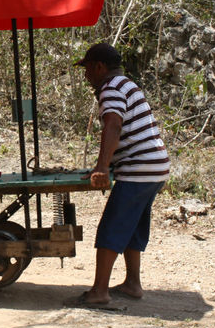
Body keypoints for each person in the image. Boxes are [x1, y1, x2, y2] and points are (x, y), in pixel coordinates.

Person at [70, 42, 170, 307]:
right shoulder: (128, 84)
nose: (86, 75)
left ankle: (99, 292)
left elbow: (113, 125)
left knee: (111, 228)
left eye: (88, 69)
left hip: (139, 169)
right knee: (133, 226)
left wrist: (102, 168)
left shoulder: (110, 88)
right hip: (155, 167)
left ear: (100, 67)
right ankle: (132, 284)